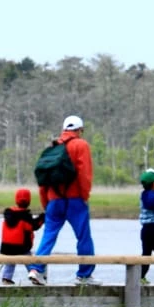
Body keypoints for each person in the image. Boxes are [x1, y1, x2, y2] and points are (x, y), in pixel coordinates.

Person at [26, 115, 96, 286]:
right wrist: (84, 196)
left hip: (54, 200)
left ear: (64, 130)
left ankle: (36, 269)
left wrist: (46, 203)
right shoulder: (81, 145)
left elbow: (43, 180)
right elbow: (84, 175)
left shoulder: (52, 147)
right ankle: (84, 275)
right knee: (83, 237)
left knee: (48, 235)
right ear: (79, 130)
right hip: (75, 199)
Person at [0, 188, 45, 284]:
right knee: (29, 260)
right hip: (22, 247)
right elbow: (33, 226)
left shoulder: (8, 214)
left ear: (16, 200)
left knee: (10, 261)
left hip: (7, 247)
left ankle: (6, 278)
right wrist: (42, 217)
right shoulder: (25, 216)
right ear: (28, 201)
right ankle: (34, 274)